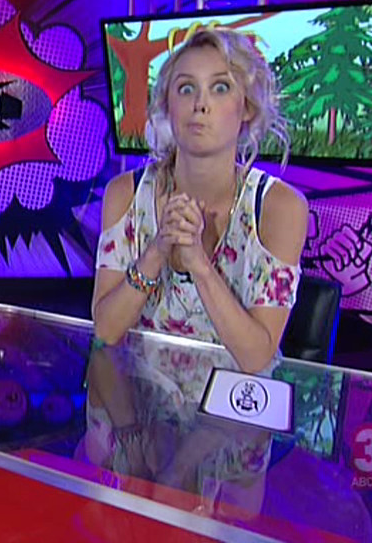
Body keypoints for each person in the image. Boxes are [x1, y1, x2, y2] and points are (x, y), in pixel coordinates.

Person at [85, 26, 309, 512]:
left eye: (220, 87)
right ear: (167, 105)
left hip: (232, 418)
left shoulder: (280, 208)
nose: (200, 104)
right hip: (134, 401)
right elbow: (105, 331)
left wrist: (200, 267)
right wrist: (157, 250)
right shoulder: (126, 194)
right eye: (186, 88)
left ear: (246, 108)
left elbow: (255, 356)